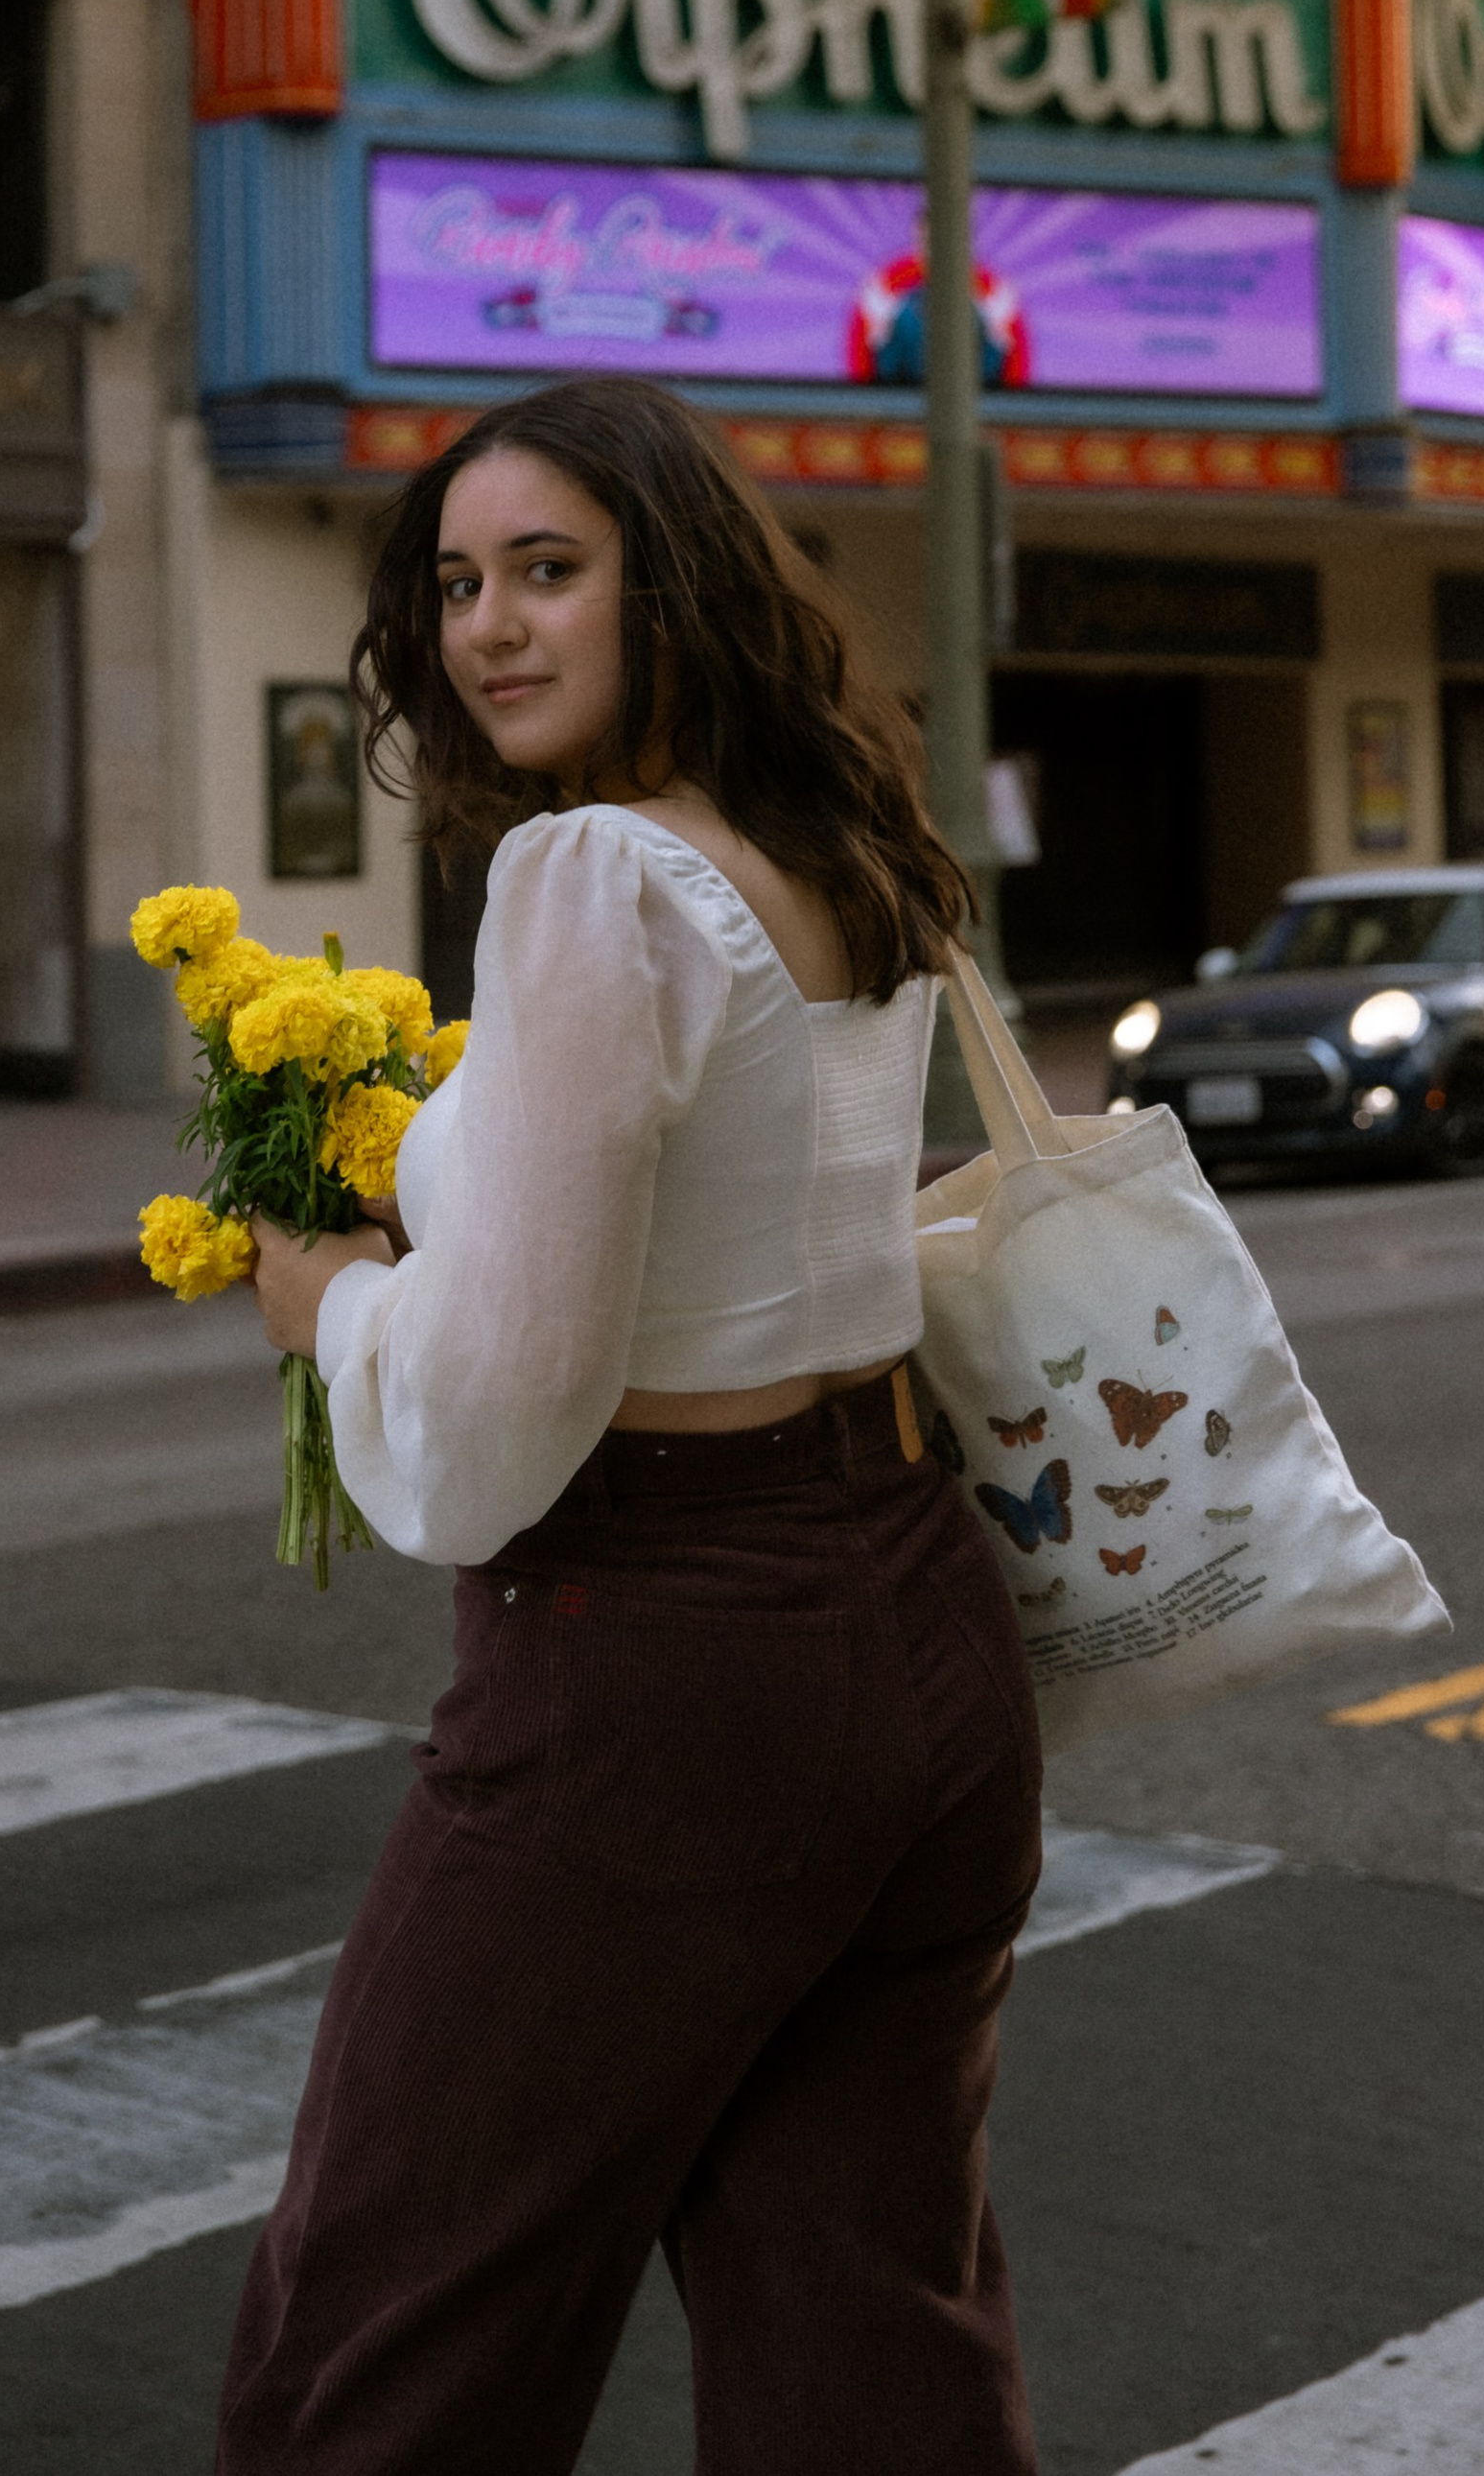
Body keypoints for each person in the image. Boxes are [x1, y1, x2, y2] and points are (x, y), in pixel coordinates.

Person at [215, 373, 1043, 2476]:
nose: (489, 623)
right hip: (916, 1632)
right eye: (459, 579)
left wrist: (328, 1298)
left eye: (548, 570)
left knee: (389, 2335)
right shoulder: (830, 845)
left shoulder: (588, 878)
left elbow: (501, 1407)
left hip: (660, 1660)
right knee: (867, 2338)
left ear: (662, 580)